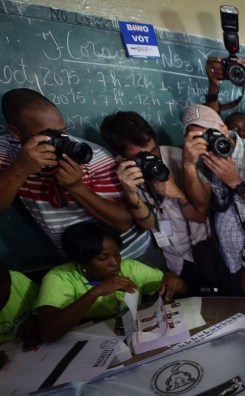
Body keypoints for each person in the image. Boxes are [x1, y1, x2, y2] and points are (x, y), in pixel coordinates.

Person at [0, 88, 151, 259]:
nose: (62, 140)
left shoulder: (91, 155)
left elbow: (123, 222)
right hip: (81, 262)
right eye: (49, 135)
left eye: (63, 131)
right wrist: (20, 169)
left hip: (131, 252)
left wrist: (77, 187)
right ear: (16, 133)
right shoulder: (8, 152)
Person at [99, 111, 211, 292]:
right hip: (172, 260)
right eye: (140, 157)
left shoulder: (178, 157)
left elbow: (199, 216)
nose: (152, 160)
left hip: (201, 253)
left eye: (153, 151)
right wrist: (130, 192)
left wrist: (178, 194)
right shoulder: (126, 174)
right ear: (123, 158)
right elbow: (148, 223)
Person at [181, 103, 245, 297]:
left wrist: (236, 182)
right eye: (196, 138)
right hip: (230, 257)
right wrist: (188, 165)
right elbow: (201, 205)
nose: (205, 141)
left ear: (224, 129)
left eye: (209, 133)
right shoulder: (201, 159)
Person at [35, 222, 186, 343]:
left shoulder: (130, 268)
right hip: (90, 342)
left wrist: (173, 280)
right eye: (102, 258)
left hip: (131, 338)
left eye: (117, 254)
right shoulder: (60, 278)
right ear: (80, 260)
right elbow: (48, 333)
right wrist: (95, 292)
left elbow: (181, 289)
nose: (115, 263)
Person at [0, 262, 38, 346]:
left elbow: (40, 307)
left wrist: (34, 318)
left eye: (3, 298)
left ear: (10, 286)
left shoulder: (18, 281)